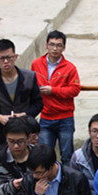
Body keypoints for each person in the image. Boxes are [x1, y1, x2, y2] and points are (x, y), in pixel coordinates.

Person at [0, 38, 43, 150]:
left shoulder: (29, 77)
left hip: (26, 132)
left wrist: (24, 114)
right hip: (1, 134)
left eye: (9, 57)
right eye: (1, 58)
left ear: (15, 57)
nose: (6, 62)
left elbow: (38, 104)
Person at [31, 30, 81, 166]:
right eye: (52, 44)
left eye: (59, 45)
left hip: (65, 118)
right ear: (46, 45)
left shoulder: (70, 68)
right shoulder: (36, 64)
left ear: (64, 48)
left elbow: (75, 89)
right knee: (44, 156)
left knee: (67, 156)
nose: (55, 48)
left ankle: (67, 178)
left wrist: (53, 90)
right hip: (46, 117)